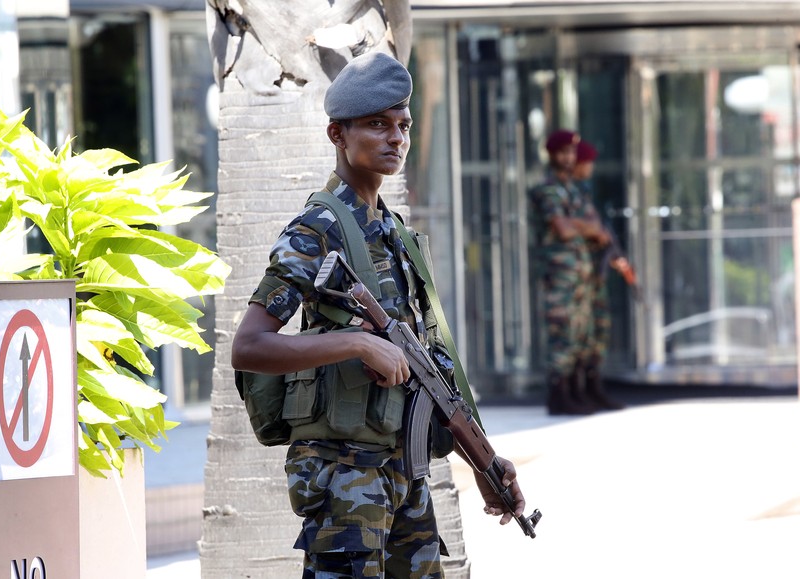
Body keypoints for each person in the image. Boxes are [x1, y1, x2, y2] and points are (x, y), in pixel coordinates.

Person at [231, 51, 525, 578]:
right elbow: (249, 346)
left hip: (402, 474)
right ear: (336, 135)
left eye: (403, 126)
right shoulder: (317, 229)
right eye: (376, 125)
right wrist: (358, 343)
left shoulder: (396, 234)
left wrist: (484, 465)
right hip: (342, 477)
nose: (396, 138)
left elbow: (430, 379)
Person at [528, 130, 609, 415]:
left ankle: (578, 391)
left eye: (571, 153)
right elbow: (563, 229)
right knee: (562, 333)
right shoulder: (546, 190)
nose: (568, 158)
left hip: (580, 274)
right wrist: (586, 228)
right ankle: (559, 395)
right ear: (551, 155)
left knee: (580, 334)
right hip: (559, 274)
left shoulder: (575, 190)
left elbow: (595, 227)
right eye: (562, 152)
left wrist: (582, 225)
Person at [571, 139, 625, 411]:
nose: (590, 167)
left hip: (590, 273)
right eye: (588, 162)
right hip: (575, 275)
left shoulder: (582, 191)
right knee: (578, 335)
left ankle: (592, 388)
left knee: (595, 334)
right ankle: (573, 392)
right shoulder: (568, 192)